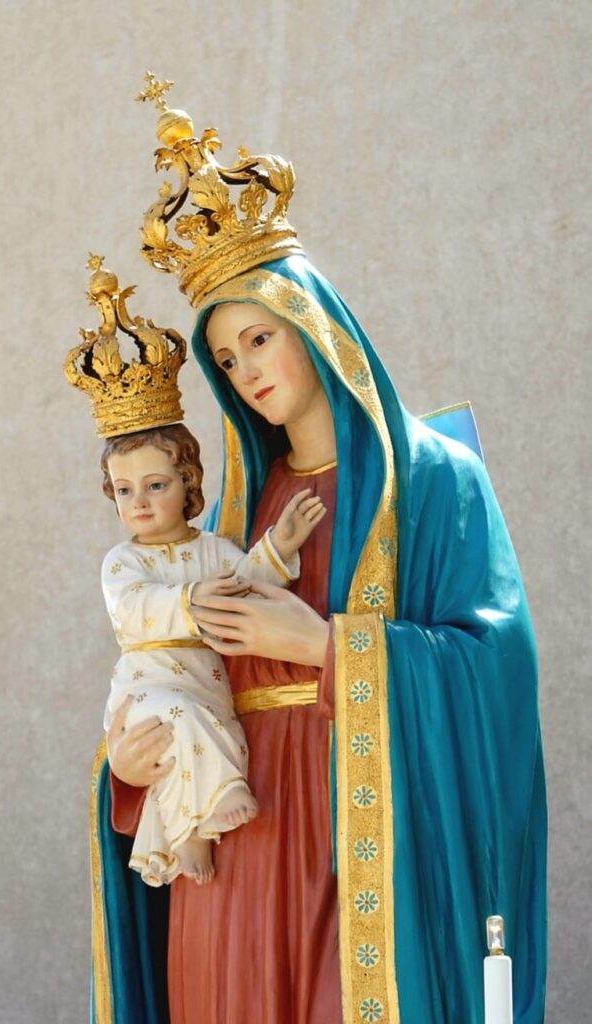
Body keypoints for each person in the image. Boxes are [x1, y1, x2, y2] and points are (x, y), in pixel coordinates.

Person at [90, 79, 547, 1024]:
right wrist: (125, 775)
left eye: (260, 338)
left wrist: (322, 645)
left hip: (359, 828)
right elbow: (168, 667)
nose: (246, 370)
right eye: (226, 359)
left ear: (315, 327)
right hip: (233, 834)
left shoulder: (432, 482)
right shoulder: (230, 516)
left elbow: (494, 669)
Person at [99, 424, 326, 886]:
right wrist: (191, 599)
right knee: (174, 721)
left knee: (219, 731)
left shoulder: (212, 551)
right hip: (148, 680)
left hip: (204, 678)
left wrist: (279, 546)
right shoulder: (123, 562)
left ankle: (198, 819)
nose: (138, 502)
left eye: (155, 485)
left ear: (188, 484)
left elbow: (245, 584)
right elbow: (133, 607)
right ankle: (191, 828)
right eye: (124, 490)